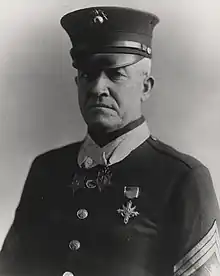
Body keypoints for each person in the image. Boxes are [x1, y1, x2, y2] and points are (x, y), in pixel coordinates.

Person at [0, 6, 220, 276]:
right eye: (87, 75)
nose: (97, 88)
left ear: (146, 87)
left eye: (115, 74)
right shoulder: (46, 170)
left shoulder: (183, 179)